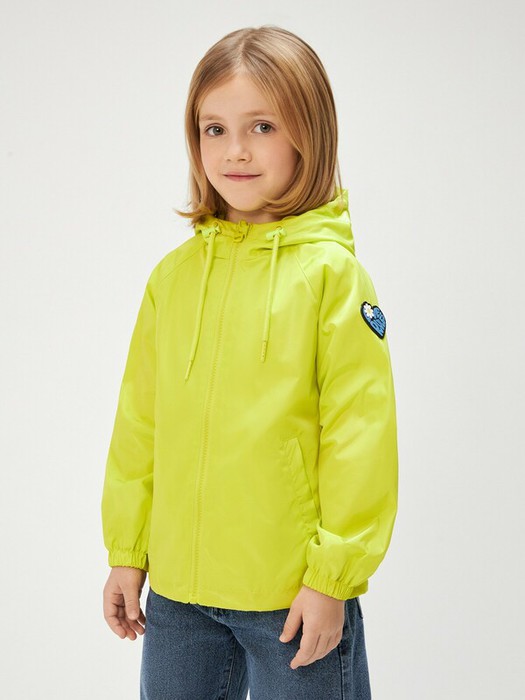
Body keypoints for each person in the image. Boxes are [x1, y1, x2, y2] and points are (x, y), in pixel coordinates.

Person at [101, 25, 398, 700]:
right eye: (214, 129)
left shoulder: (333, 278)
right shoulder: (172, 278)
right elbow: (140, 424)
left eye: (262, 126)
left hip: (289, 598)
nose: (234, 150)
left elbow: (360, 438)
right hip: (177, 598)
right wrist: (128, 550)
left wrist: (331, 578)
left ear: (307, 135)